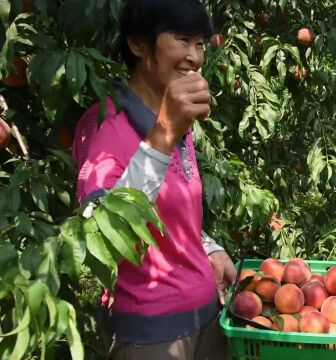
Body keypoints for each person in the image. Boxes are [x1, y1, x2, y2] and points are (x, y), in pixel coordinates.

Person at [72, 0, 236, 358]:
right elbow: (105, 242)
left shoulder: (175, 118)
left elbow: (169, 210)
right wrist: (162, 135)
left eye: (200, 44)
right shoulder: (102, 129)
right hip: (150, 335)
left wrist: (209, 246)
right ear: (138, 44)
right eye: (182, 39)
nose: (194, 56)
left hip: (207, 317)